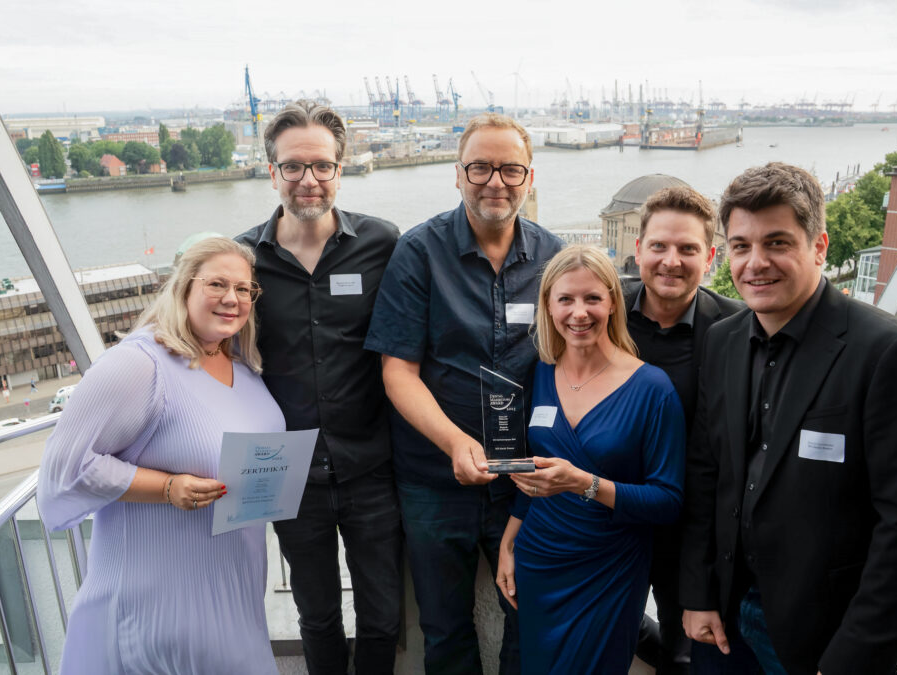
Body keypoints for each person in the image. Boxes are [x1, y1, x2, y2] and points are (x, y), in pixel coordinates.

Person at [680, 163, 897, 675]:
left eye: (777, 242)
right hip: (726, 622)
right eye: (740, 246)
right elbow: (706, 474)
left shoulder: (890, 353)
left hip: (826, 637)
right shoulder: (723, 340)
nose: (755, 263)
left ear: (819, 246)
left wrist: (853, 659)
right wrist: (698, 593)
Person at [364, 113, 563, 674]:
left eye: (509, 169)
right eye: (479, 167)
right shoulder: (418, 252)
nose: (494, 182)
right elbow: (398, 370)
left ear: (529, 177)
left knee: (532, 615)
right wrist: (455, 443)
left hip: (526, 479)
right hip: (434, 478)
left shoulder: (555, 257)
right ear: (457, 175)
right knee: (445, 629)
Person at [37, 237, 282, 675]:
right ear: (183, 287)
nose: (232, 299)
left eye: (244, 289)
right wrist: (168, 488)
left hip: (234, 591)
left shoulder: (242, 365)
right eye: (217, 285)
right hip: (155, 603)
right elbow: (66, 468)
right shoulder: (139, 364)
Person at [236, 100, 402, 675]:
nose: (309, 180)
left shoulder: (382, 243)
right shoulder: (242, 259)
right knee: (318, 616)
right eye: (293, 166)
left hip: (372, 465)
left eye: (322, 166)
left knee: (383, 616)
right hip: (287, 471)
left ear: (341, 168)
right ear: (271, 170)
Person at [495, 244, 684, 674]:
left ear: (613, 302)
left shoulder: (653, 389)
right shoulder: (542, 370)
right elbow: (538, 469)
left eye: (592, 298)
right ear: (548, 305)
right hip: (539, 557)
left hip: (610, 568)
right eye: (566, 299)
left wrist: (584, 483)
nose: (579, 313)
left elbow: (668, 501)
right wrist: (509, 541)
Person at [622, 186, 750, 675]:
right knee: (610, 627)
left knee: (686, 652)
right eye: (658, 246)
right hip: (613, 513)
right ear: (638, 250)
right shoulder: (600, 311)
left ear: (711, 256)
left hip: (693, 529)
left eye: (687, 249)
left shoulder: (739, 328)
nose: (670, 261)